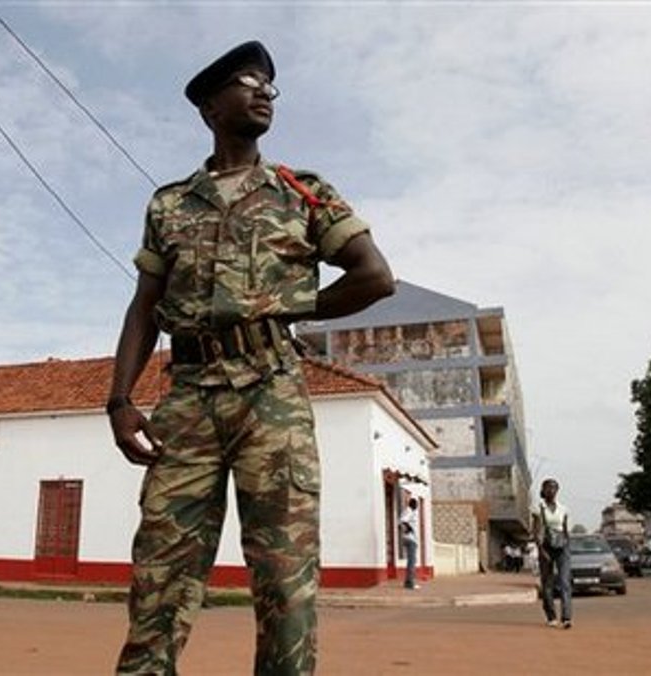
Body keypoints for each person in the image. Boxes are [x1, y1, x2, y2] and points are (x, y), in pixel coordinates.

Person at [106, 40, 394, 675]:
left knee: (284, 575)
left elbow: (375, 276)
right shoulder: (169, 204)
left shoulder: (303, 192)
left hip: (272, 394)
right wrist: (120, 400)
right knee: (160, 568)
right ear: (211, 106)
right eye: (247, 82)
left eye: (270, 86)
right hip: (187, 398)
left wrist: (287, 306)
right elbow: (143, 306)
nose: (263, 92)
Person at [532, 478, 572, 629]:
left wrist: (567, 544)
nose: (551, 490)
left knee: (564, 582)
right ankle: (551, 616)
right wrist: (541, 551)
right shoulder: (538, 508)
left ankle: (566, 617)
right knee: (547, 583)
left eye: (554, 488)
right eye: (548, 488)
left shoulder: (563, 509)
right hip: (546, 547)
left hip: (562, 547)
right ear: (543, 490)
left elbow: (566, 530)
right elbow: (536, 531)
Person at [399, 497, 420, 590]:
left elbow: (401, 521)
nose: (416, 506)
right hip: (411, 539)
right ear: (412, 504)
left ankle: (408, 582)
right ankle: (410, 583)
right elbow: (403, 520)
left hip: (409, 539)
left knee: (411, 561)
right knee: (412, 562)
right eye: (415, 504)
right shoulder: (409, 511)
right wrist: (409, 529)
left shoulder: (408, 511)